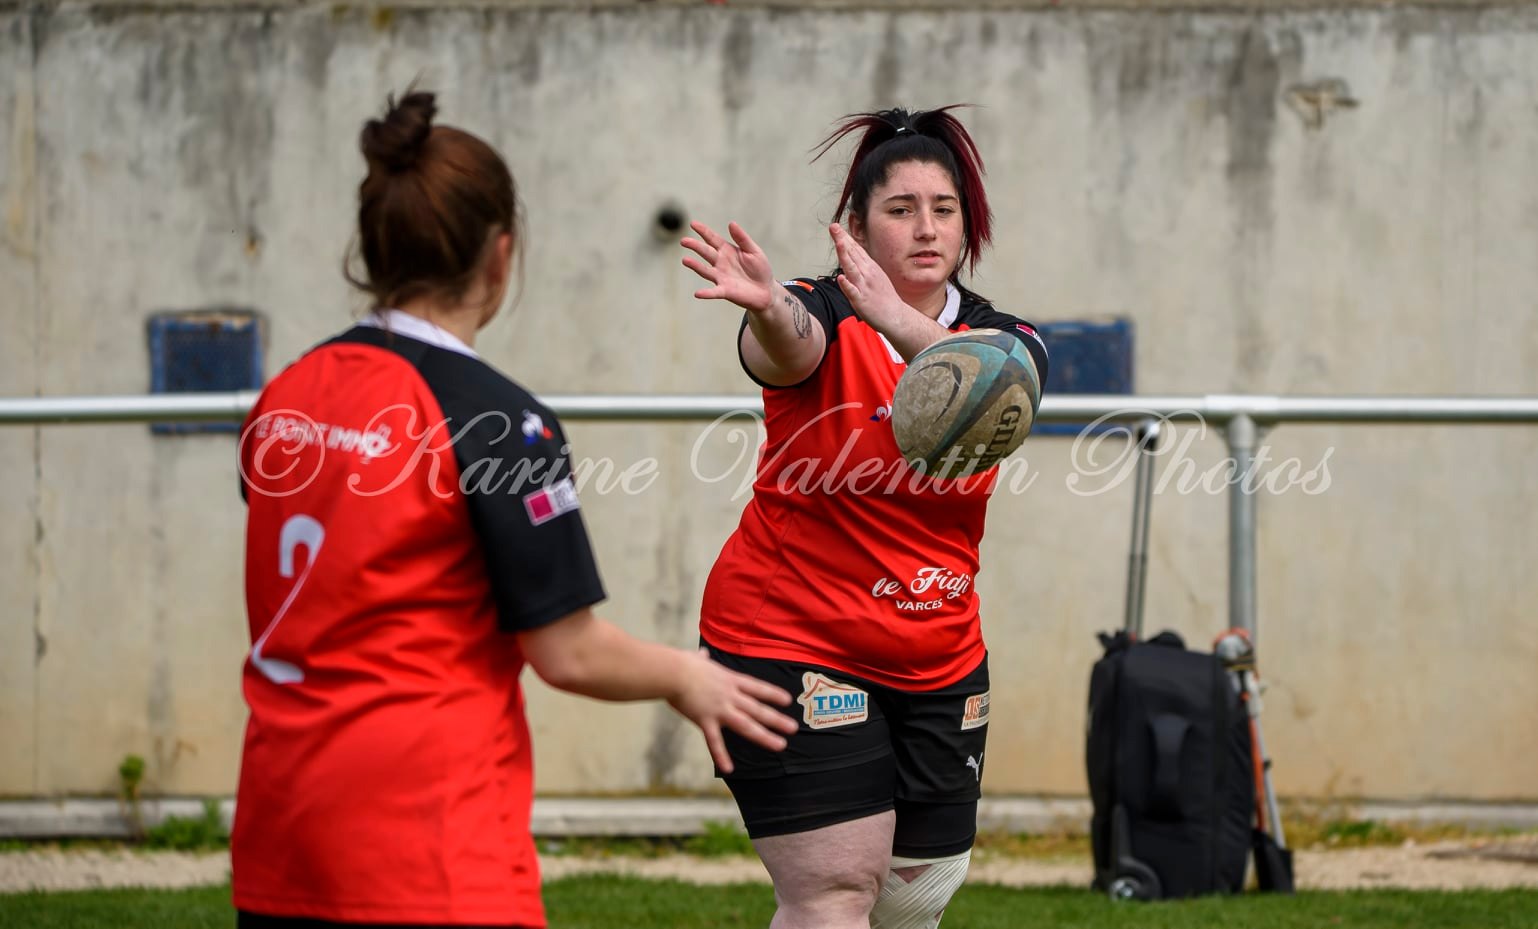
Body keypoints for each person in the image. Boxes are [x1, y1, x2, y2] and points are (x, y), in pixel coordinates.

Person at [231, 90, 797, 929]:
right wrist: (690, 676)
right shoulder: (497, 420)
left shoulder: (287, 392)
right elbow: (566, 650)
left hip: (279, 836)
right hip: (427, 847)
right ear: (501, 255)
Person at [680, 106, 1050, 929]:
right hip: (788, 636)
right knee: (836, 888)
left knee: (915, 894)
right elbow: (791, 344)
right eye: (900, 208)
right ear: (857, 225)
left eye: (943, 208)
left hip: (936, 646)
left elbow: (1001, 382)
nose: (926, 227)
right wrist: (767, 305)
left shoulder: (1004, 336)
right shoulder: (820, 309)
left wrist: (897, 319)